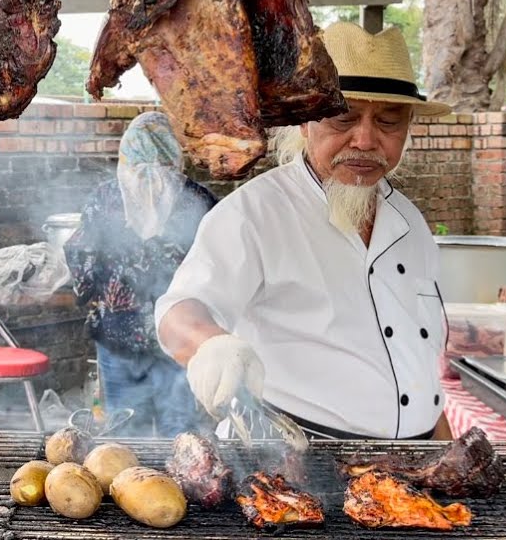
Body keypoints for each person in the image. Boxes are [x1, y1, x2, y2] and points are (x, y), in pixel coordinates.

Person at [154, 22, 455, 441]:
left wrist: (442, 448)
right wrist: (212, 345)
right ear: (303, 122)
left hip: (418, 461)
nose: (366, 140)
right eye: (343, 118)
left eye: (388, 122)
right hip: (300, 459)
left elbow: (418, 360)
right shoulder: (256, 212)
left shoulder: (410, 223)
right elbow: (180, 310)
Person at [64, 111, 218, 437]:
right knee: (180, 435)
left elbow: (81, 255)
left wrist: (91, 294)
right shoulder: (200, 200)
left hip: (118, 336)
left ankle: (130, 487)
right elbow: (219, 270)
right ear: (176, 155)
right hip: (177, 338)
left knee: (124, 434)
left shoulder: (106, 197)